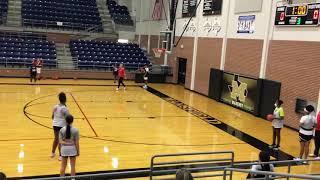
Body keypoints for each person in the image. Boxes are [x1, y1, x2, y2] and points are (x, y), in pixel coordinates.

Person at [51, 92, 69, 161]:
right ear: (65, 99)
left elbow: (52, 117)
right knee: (61, 140)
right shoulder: (65, 109)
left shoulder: (55, 107)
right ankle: (60, 155)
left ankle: (52, 153)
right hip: (62, 126)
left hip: (55, 125)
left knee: (56, 139)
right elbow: (68, 119)